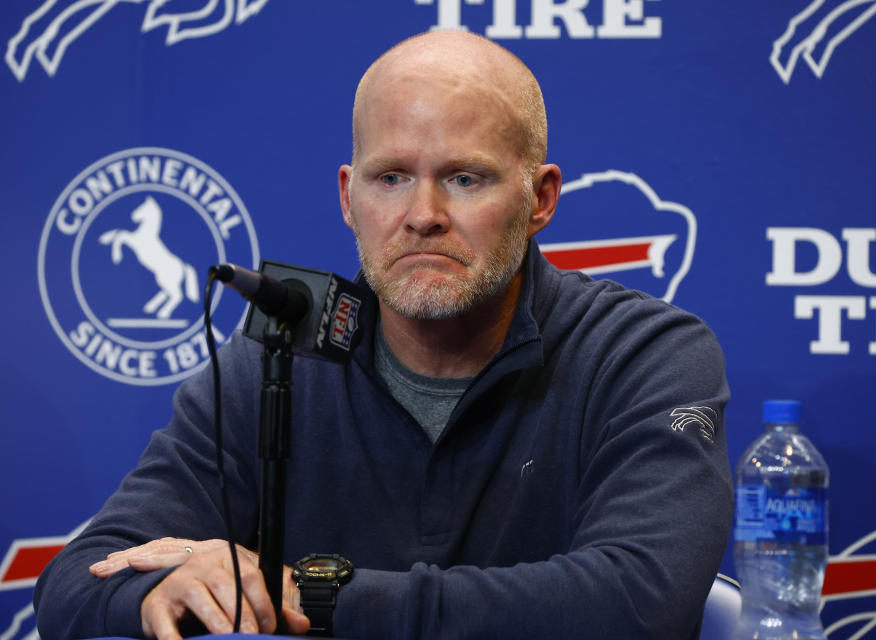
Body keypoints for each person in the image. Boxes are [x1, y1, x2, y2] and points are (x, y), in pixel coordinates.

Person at [34, 30, 733, 640]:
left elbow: (644, 605)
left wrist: (306, 594)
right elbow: (78, 582)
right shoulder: (273, 359)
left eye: (464, 178)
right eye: (391, 177)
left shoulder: (645, 355)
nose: (422, 214)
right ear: (348, 197)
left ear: (540, 198)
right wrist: (163, 592)